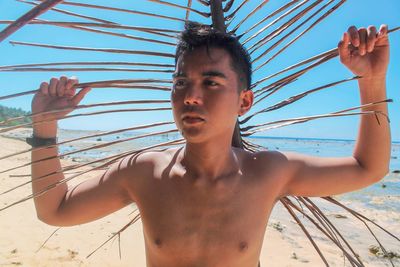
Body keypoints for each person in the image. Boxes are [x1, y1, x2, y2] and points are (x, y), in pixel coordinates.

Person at [29, 22, 390, 267]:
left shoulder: (268, 172)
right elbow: (56, 209)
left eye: (211, 83)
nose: (191, 96)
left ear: (244, 102)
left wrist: (371, 82)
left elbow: (368, 168)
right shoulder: (144, 172)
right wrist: (45, 127)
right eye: (181, 82)